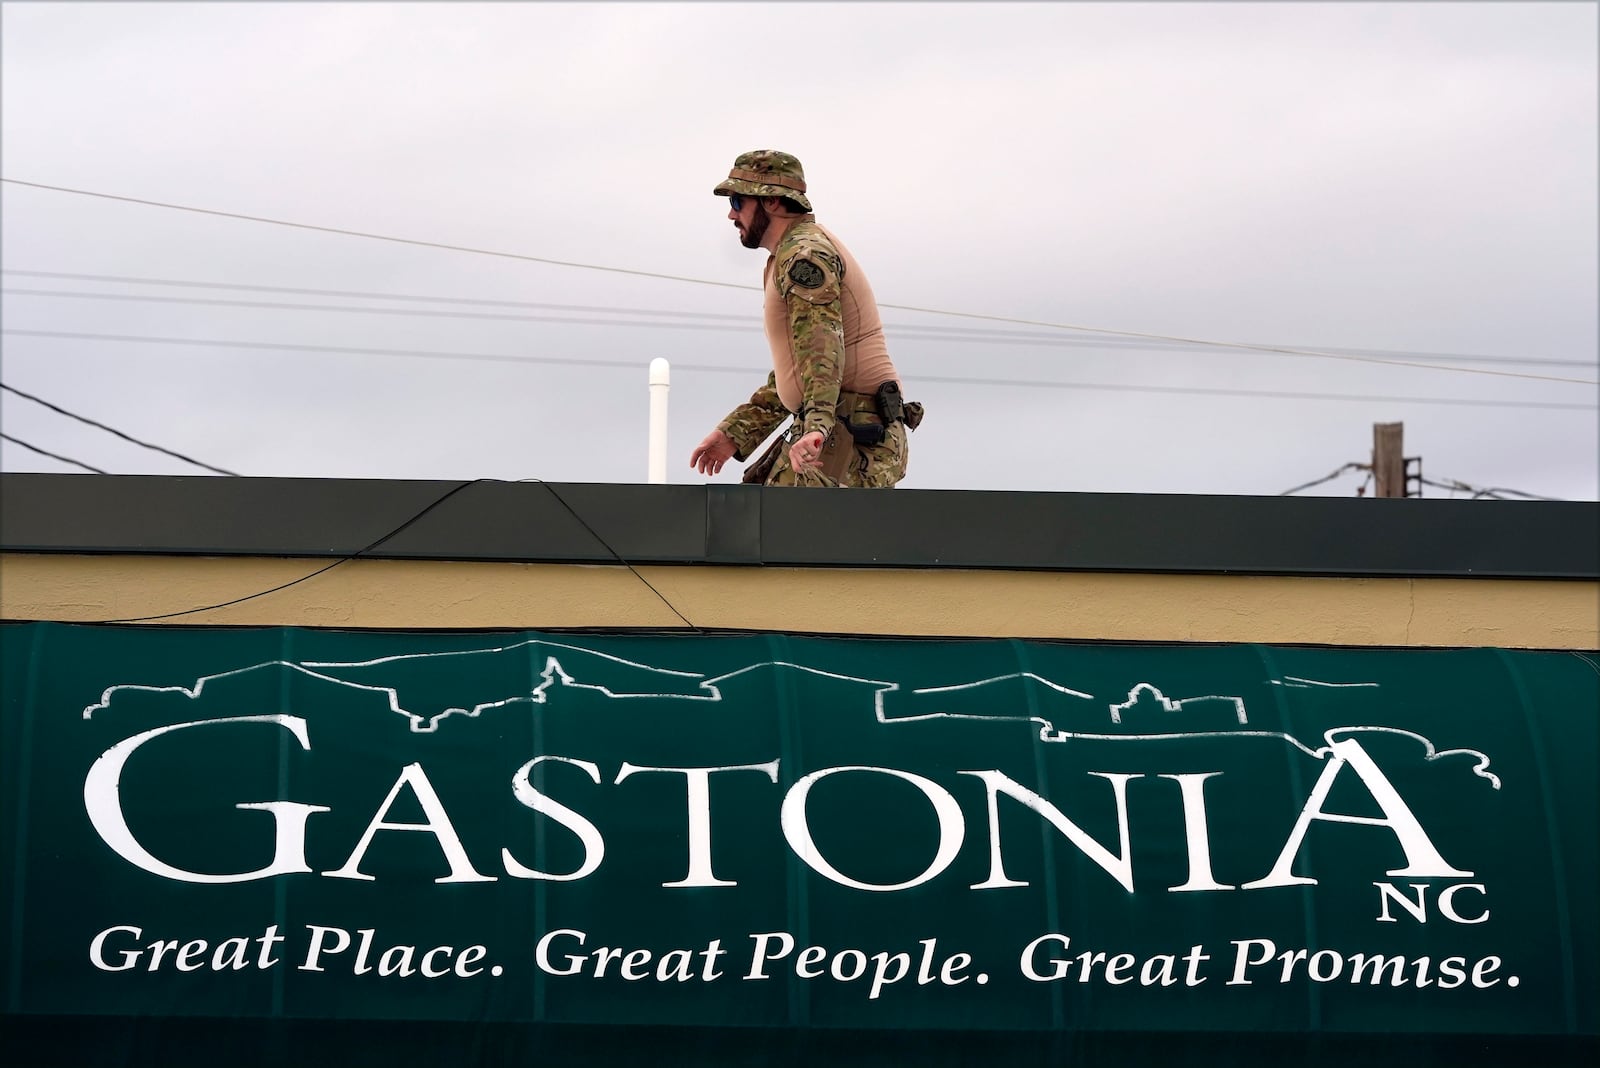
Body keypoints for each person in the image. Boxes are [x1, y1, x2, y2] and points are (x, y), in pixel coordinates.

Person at [689, 150, 923, 488]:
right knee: (765, 528)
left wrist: (816, 426)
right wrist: (737, 432)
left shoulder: (806, 256)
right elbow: (802, 367)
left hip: (853, 432)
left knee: (781, 533)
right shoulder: (788, 255)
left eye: (738, 201)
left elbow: (821, 352)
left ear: (771, 202)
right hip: (839, 427)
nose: (730, 214)